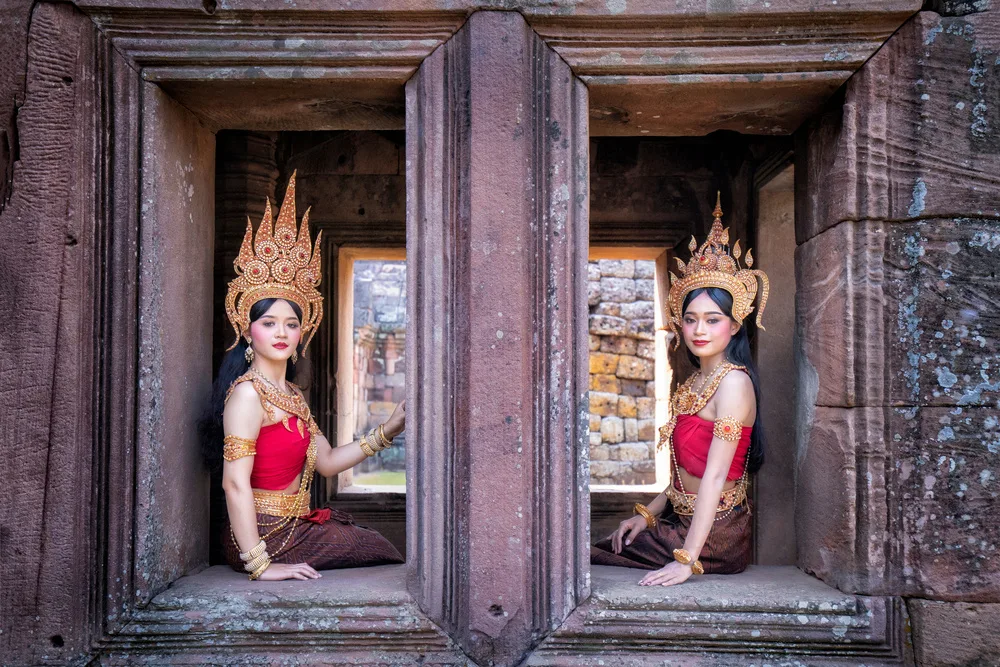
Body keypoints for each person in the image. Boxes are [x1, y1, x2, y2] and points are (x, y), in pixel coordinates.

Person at [206, 172, 404, 581]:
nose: (281, 332)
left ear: (302, 332)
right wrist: (261, 566)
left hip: (294, 526)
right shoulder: (247, 396)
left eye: (291, 323)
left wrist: (388, 430)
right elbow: (234, 485)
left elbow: (328, 463)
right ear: (247, 330)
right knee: (377, 548)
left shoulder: (290, 393)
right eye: (269, 322)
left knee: (377, 543)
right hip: (262, 536)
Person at [591, 194, 770, 587]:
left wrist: (686, 561)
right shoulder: (693, 383)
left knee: (589, 558)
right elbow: (681, 475)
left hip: (717, 534)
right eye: (690, 320)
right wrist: (647, 516)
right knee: (602, 549)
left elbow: (715, 474)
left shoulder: (735, 384)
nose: (700, 330)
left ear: (735, 325)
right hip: (681, 520)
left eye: (712, 319)